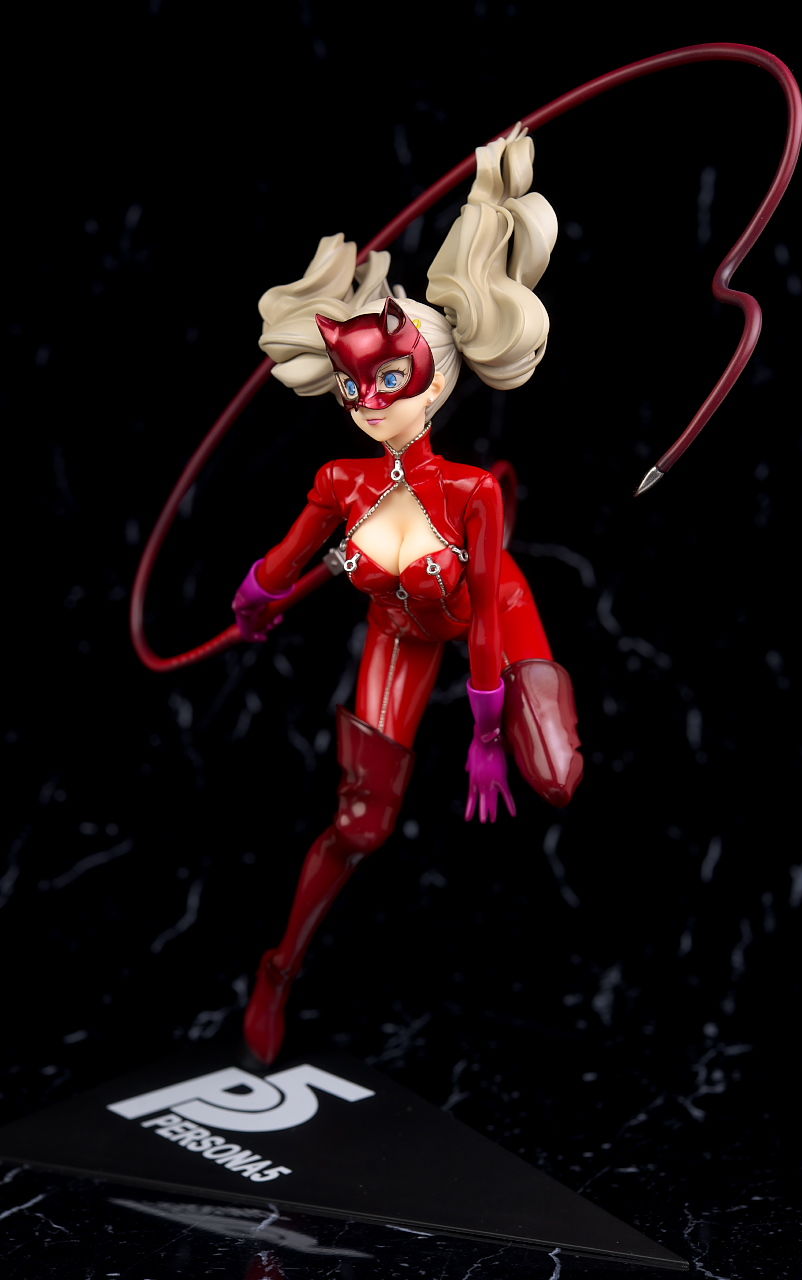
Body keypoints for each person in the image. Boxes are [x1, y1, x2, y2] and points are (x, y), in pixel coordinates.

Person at [232, 128, 583, 1064]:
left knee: (554, 775)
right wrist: (252, 603)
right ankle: (278, 970)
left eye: (390, 378)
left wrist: (484, 734)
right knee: (361, 825)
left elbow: (482, 606)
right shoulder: (341, 480)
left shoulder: (471, 493)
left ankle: (538, 714)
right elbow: (283, 561)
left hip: (486, 611)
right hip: (400, 628)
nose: (370, 400)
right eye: (355, 384)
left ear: (435, 380)